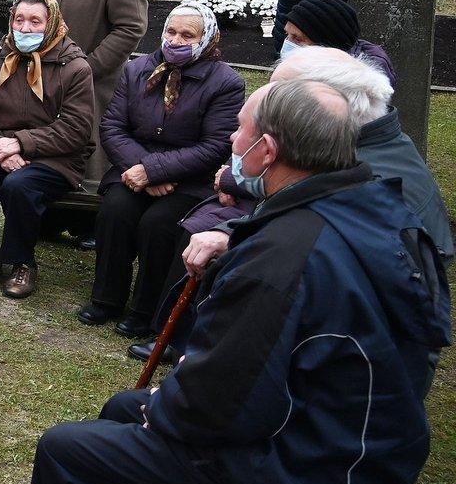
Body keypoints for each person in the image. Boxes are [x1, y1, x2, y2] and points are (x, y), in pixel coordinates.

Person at [0, 79, 448, 484]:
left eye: (242, 132)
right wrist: (235, 240)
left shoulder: (286, 257)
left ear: (269, 151)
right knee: (121, 411)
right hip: (356, 441)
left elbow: (224, 398)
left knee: (71, 451)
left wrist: (167, 406)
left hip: (321, 470)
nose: (232, 139)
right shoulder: (360, 204)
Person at [126, 46, 455, 361]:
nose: (265, 107)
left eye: (278, 97)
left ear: (324, 106)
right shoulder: (350, 152)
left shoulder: (375, 179)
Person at [79, 1, 245, 336]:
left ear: (207, 39)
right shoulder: (138, 68)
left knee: (159, 224)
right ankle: (106, 299)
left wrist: (154, 171)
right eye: (171, 31)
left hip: (189, 181)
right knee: (116, 211)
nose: (176, 40)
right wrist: (143, 171)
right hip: (132, 170)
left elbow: (215, 147)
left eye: (188, 35)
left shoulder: (225, 82)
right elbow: (112, 127)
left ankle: (145, 310)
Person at [0, 0, 97, 299]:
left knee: (19, 186)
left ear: (52, 24)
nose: (25, 28)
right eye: (19, 19)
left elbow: (75, 129)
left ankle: (22, 262)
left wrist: (20, 143)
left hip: (56, 155)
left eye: (35, 21)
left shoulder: (74, 67)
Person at [21, 0, 147, 183]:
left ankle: (82, 218)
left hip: (90, 80)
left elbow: (131, 27)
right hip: (37, 72)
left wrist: (86, 68)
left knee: (84, 161)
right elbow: (21, 3)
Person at [281, 0, 396, 88]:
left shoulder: (355, 88)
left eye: (298, 39)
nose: (288, 43)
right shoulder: (308, 70)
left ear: (328, 45)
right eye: (287, 35)